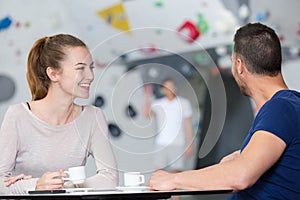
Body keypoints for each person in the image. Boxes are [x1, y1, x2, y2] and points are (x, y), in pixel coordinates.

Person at [148, 22, 300, 199]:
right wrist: (242, 156)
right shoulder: (287, 106)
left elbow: (240, 176)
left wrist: (173, 180)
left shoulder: (280, 108)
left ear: (239, 65)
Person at [0, 34, 118, 194]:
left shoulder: (93, 117)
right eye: (80, 68)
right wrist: (36, 185)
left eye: (91, 67)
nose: (90, 76)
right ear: (53, 74)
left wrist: (62, 186)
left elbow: (109, 179)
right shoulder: (18, 115)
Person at [144, 78, 194, 173]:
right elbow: (147, 114)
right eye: (167, 87)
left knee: (176, 172)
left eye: (172, 86)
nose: (170, 89)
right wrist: (147, 94)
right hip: (161, 143)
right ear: (163, 90)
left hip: (178, 143)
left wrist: (190, 144)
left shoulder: (184, 103)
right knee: (159, 172)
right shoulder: (158, 103)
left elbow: (188, 125)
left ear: (175, 88)